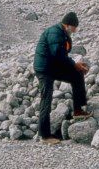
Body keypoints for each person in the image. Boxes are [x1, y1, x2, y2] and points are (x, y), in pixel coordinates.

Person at [33, 12, 91, 144]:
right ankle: (45, 135)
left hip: (52, 67)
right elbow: (57, 54)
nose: (75, 30)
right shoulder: (55, 33)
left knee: (77, 75)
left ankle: (78, 110)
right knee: (46, 98)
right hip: (44, 70)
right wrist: (74, 64)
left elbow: (60, 56)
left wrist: (75, 67)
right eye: (75, 27)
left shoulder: (63, 33)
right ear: (68, 25)